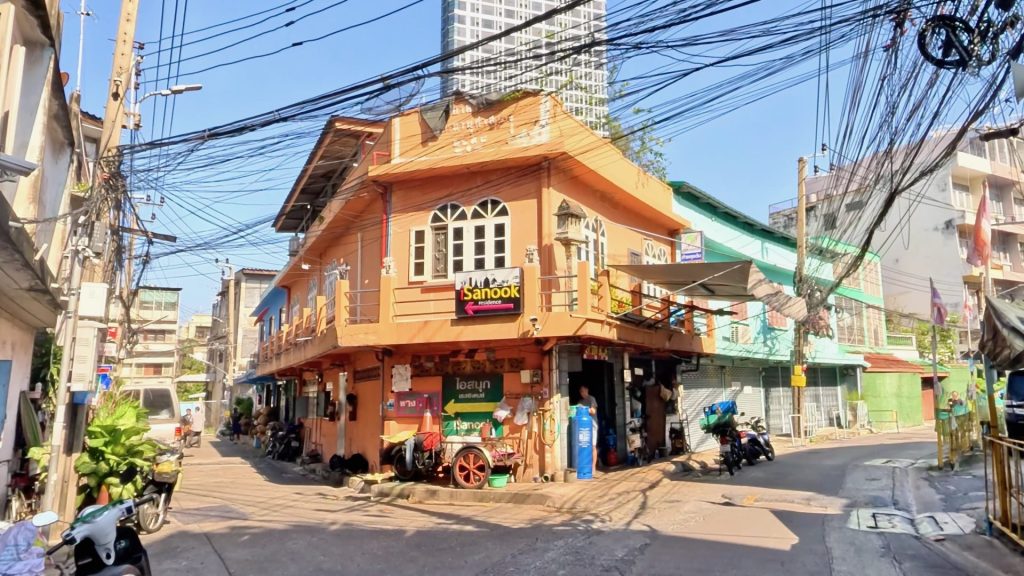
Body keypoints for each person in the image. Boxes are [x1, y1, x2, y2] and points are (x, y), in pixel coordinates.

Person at [579, 385, 599, 471]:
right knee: (583, 445)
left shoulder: (591, 399)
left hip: (592, 425)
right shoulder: (580, 402)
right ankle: (585, 465)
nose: (582, 393)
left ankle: (593, 466)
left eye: (583, 391)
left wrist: (584, 409)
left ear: (587, 390)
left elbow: (593, 411)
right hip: (583, 427)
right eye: (581, 392)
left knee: (592, 446)